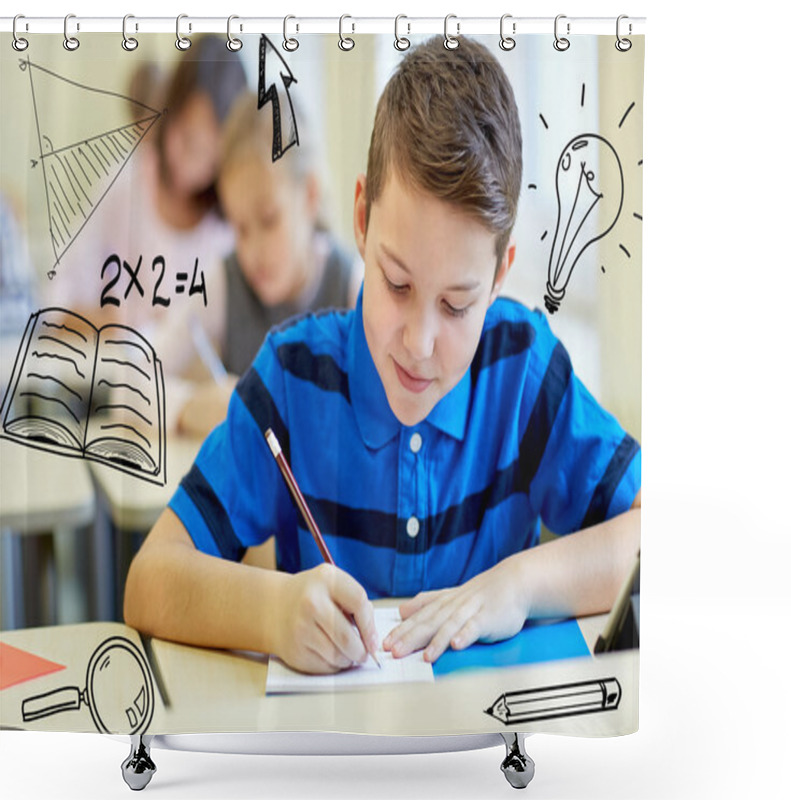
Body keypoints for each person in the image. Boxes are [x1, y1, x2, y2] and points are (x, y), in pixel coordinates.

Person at [125, 37, 641, 675]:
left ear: (502, 274)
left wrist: (520, 584)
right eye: (397, 285)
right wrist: (273, 611)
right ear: (362, 219)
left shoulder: (523, 369)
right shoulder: (292, 378)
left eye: (457, 305)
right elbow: (149, 579)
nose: (420, 345)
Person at [154, 91, 361, 439]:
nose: (253, 251)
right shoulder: (225, 282)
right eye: (240, 228)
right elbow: (129, 382)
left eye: (268, 220)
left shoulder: (353, 286)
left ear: (310, 194)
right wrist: (190, 407)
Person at [48, 36, 247, 343]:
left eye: (209, 158)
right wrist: (105, 323)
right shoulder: (125, 185)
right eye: (187, 139)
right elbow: (53, 308)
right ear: (170, 111)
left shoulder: (233, 217)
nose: (191, 166)